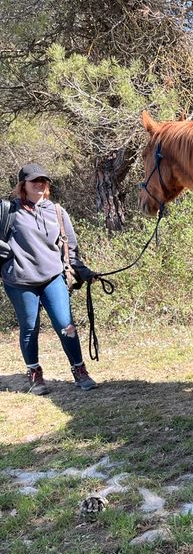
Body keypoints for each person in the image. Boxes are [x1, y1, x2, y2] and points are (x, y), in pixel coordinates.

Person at [1, 163, 97, 395]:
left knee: (67, 325)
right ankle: (35, 375)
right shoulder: (8, 211)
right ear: (22, 185)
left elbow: (70, 247)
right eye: (34, 180)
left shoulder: (56, 211)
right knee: (29, 328)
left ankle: (79, 370)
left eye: (43, 180)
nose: (40, 184)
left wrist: (84, 271)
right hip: (20, 280)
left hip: (53, 276)